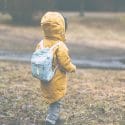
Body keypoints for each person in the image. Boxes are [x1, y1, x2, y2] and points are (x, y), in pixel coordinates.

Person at [36, 12, 76, 125]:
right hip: (56, 79)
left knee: (53, 101)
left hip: (44, 78)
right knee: (56, 102)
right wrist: (72, 68)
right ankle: (50, 121)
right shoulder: (60, 45)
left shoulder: (41, 43)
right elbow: (65, 63)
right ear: (61, 29)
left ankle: (55, 118)